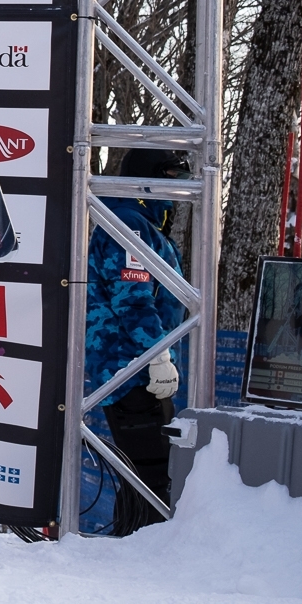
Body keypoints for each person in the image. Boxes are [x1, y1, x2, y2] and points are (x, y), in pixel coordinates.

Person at [86, 146, 186, 533]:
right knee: (151, 474)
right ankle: (141, 549)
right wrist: (156, 356)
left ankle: (133, 543)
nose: (176, 192)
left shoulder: (143, 223)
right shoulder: (128, 223)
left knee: (146, 471)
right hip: (128, 367)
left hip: (136, 365)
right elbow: (133, 298)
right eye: (170, 181)